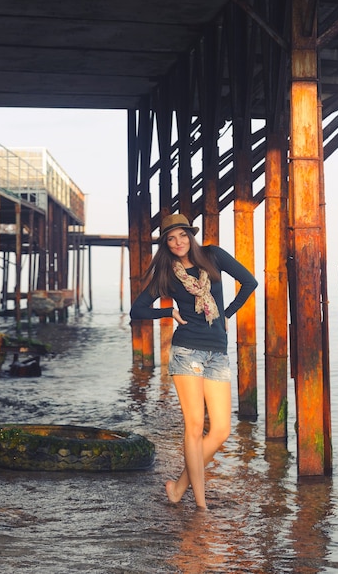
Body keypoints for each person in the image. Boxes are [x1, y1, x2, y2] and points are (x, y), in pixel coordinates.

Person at [130, 213, 258, 510]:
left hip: (217, 351)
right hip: (187, 351)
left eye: (182, 236)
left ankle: (177, 488)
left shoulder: (212, 256)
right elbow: (138, 310)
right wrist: (168, 313)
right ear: (165, 243)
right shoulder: (166, 272)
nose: (178, 242)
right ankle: (201, 506)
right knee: (195, 426)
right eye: (171, 238)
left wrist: (226, 314)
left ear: (191, 236)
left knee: (221, 430)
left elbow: (249, 282)